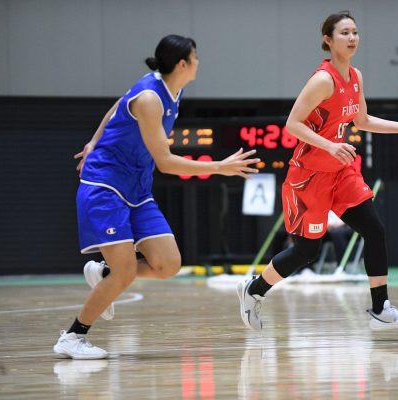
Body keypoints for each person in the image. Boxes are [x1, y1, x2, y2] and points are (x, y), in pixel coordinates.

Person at [54, 35, 260, 359]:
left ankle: (103, 274)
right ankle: (73, 336)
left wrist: (94, 139)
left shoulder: (171, 89)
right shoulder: (150, 98)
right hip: (106, 186)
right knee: (125, 272)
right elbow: (165, 162)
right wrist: (219, 166)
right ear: (183, 64)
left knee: (168, 264)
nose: (199, 62)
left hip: (136, 187)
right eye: (195, 57)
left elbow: (117, 105)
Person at [237, 12, 398, 331]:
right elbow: (292, 124)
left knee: (374, 230)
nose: (352, 38)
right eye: (344, 32)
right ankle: (254, 289)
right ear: (328, 39)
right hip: (309, 176)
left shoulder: (355, 76)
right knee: (306, 251)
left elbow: (362, 121)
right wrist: (329, 145)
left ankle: (381, 309)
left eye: (355, 32)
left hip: (340, 171)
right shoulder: (323, 80)